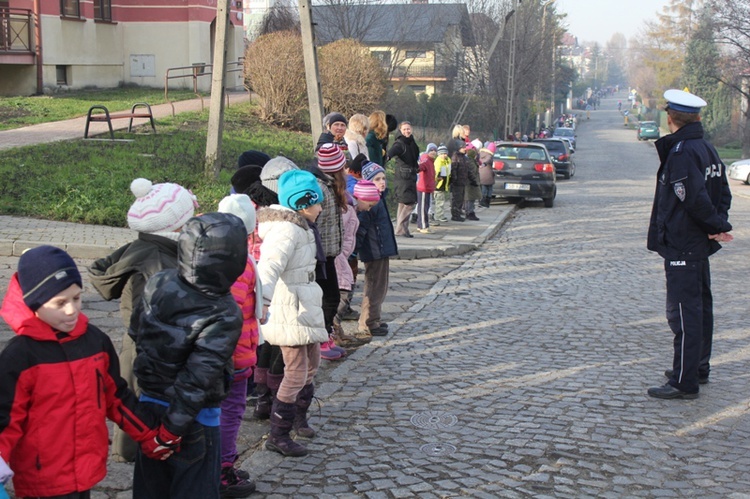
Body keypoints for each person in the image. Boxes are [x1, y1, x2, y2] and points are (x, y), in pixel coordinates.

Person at [0, 246, 173, 499]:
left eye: (77, 298)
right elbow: (5, 420)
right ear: (33, 303)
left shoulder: (95, 341)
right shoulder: (20, 356)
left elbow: (116, 396)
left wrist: (150, 435)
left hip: (86, 469)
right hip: (42, 480)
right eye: (60, 303)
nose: (71, 310)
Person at [131, 213, 249, 499]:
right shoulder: (224, 311)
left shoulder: (159, 280)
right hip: (193, 420)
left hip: (149, 403)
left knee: (150, 489)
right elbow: (198, 378)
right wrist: (171, 431)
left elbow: (137, 331)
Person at [89, 178, 198, 463]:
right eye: (190, 216)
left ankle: (130, 448)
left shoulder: (150, 247)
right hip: (149, 340)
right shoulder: (157, 260)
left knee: (134, 386)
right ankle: (135, 450)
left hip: (139, 336)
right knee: (139, 393)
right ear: (175, 224)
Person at [646, 89, 733, 400]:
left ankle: (685, 381)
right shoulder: (706, 148)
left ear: (671, 118)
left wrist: (716, 226)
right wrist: (716, 224)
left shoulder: (683, 152)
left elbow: (692, 199)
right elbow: (723, 192)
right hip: (697, 242)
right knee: (701, 308)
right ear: (695, 118)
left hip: (683, 241)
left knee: (683, 312)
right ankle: (696, 367)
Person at [256, 169, 329, 457]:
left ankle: (299, 419)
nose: (321, 208)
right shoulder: (287, 230)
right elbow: (269, 266)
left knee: (312, 364)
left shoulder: (301, 227)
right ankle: (279, 434)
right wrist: (262, 300)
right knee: (296, 372)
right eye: (317, 203)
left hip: (305, 304)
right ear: (302, 203)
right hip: (290, 309)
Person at [216, 194, 262, 498]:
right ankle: (222, 470)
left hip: (230, 350)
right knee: (231, 412)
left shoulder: (216, 255)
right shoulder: (239, 263)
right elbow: (230, 310)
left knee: (225, 410)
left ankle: (222, 463)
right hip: (235, 351)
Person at [311, 143, 348, 361]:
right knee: (329, 298)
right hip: (320, 254)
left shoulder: (330, 185)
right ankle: (321, 340)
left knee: (330, 297)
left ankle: (325, 337)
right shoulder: (320, 188)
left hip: (330, 252)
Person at [356, 162, 398, 338]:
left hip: (382, 249)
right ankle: (368, 322)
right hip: (374, 250)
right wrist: (355, 249)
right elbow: (361, 228)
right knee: (374, 286)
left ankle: (374, 318)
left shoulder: (379, 198)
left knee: (380, 286)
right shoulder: (371, 202)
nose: (382, 182)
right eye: (377, 179)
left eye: (383, 178)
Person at [387, 121, 420, 238]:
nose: (407, 131)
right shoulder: (399, 143)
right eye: (405, 129)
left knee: (403, 203)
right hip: (403, 177)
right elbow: (391, 153)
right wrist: (385, 157)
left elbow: (414, 156)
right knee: (409, 203)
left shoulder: (411, 141)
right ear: (400, 130)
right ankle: (399, 228)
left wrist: (416, 167)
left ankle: (402, 230)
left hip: (410, 176)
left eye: (408, 129)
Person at [416, 143, 438, 232]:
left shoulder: (431, 161)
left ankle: (421, 224)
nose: (433, 152)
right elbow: (420, 167)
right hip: (423, 188)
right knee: (423, 208)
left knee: (426, 207)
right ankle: (423, 226)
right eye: (431, 150)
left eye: (434, 151)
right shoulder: (426, 160)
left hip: (428, 187)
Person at [449, 140, 470, 222]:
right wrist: (454, 180)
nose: (465, 149)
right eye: (463, 147)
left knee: (460, 199)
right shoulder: (455, 157)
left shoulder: (464, 157)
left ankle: (458, 213)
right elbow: (453, 169)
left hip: (462, 181)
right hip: (457, 182)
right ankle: (455, 215)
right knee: (456, 199)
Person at [433, 144, 451, 223]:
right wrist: (436, 180)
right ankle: (438, 216)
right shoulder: (438, 162)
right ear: (438, 154)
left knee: (441, 201)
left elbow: (448, 172)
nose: (444, 155)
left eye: (445, 153)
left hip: (444, 184)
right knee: (439, 201)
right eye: (442, 154)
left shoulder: (447, 160)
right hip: (438, 185)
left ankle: (440, 214)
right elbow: (436, 173)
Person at [478, 142, 496, 208]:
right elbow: (488, 160)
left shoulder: (480, 153)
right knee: (489, 188)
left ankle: (481, 200)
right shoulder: (489, 155)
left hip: (480, 173)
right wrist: (484, 164)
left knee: (483, 187)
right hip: (488, 174)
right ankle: (486, 202)